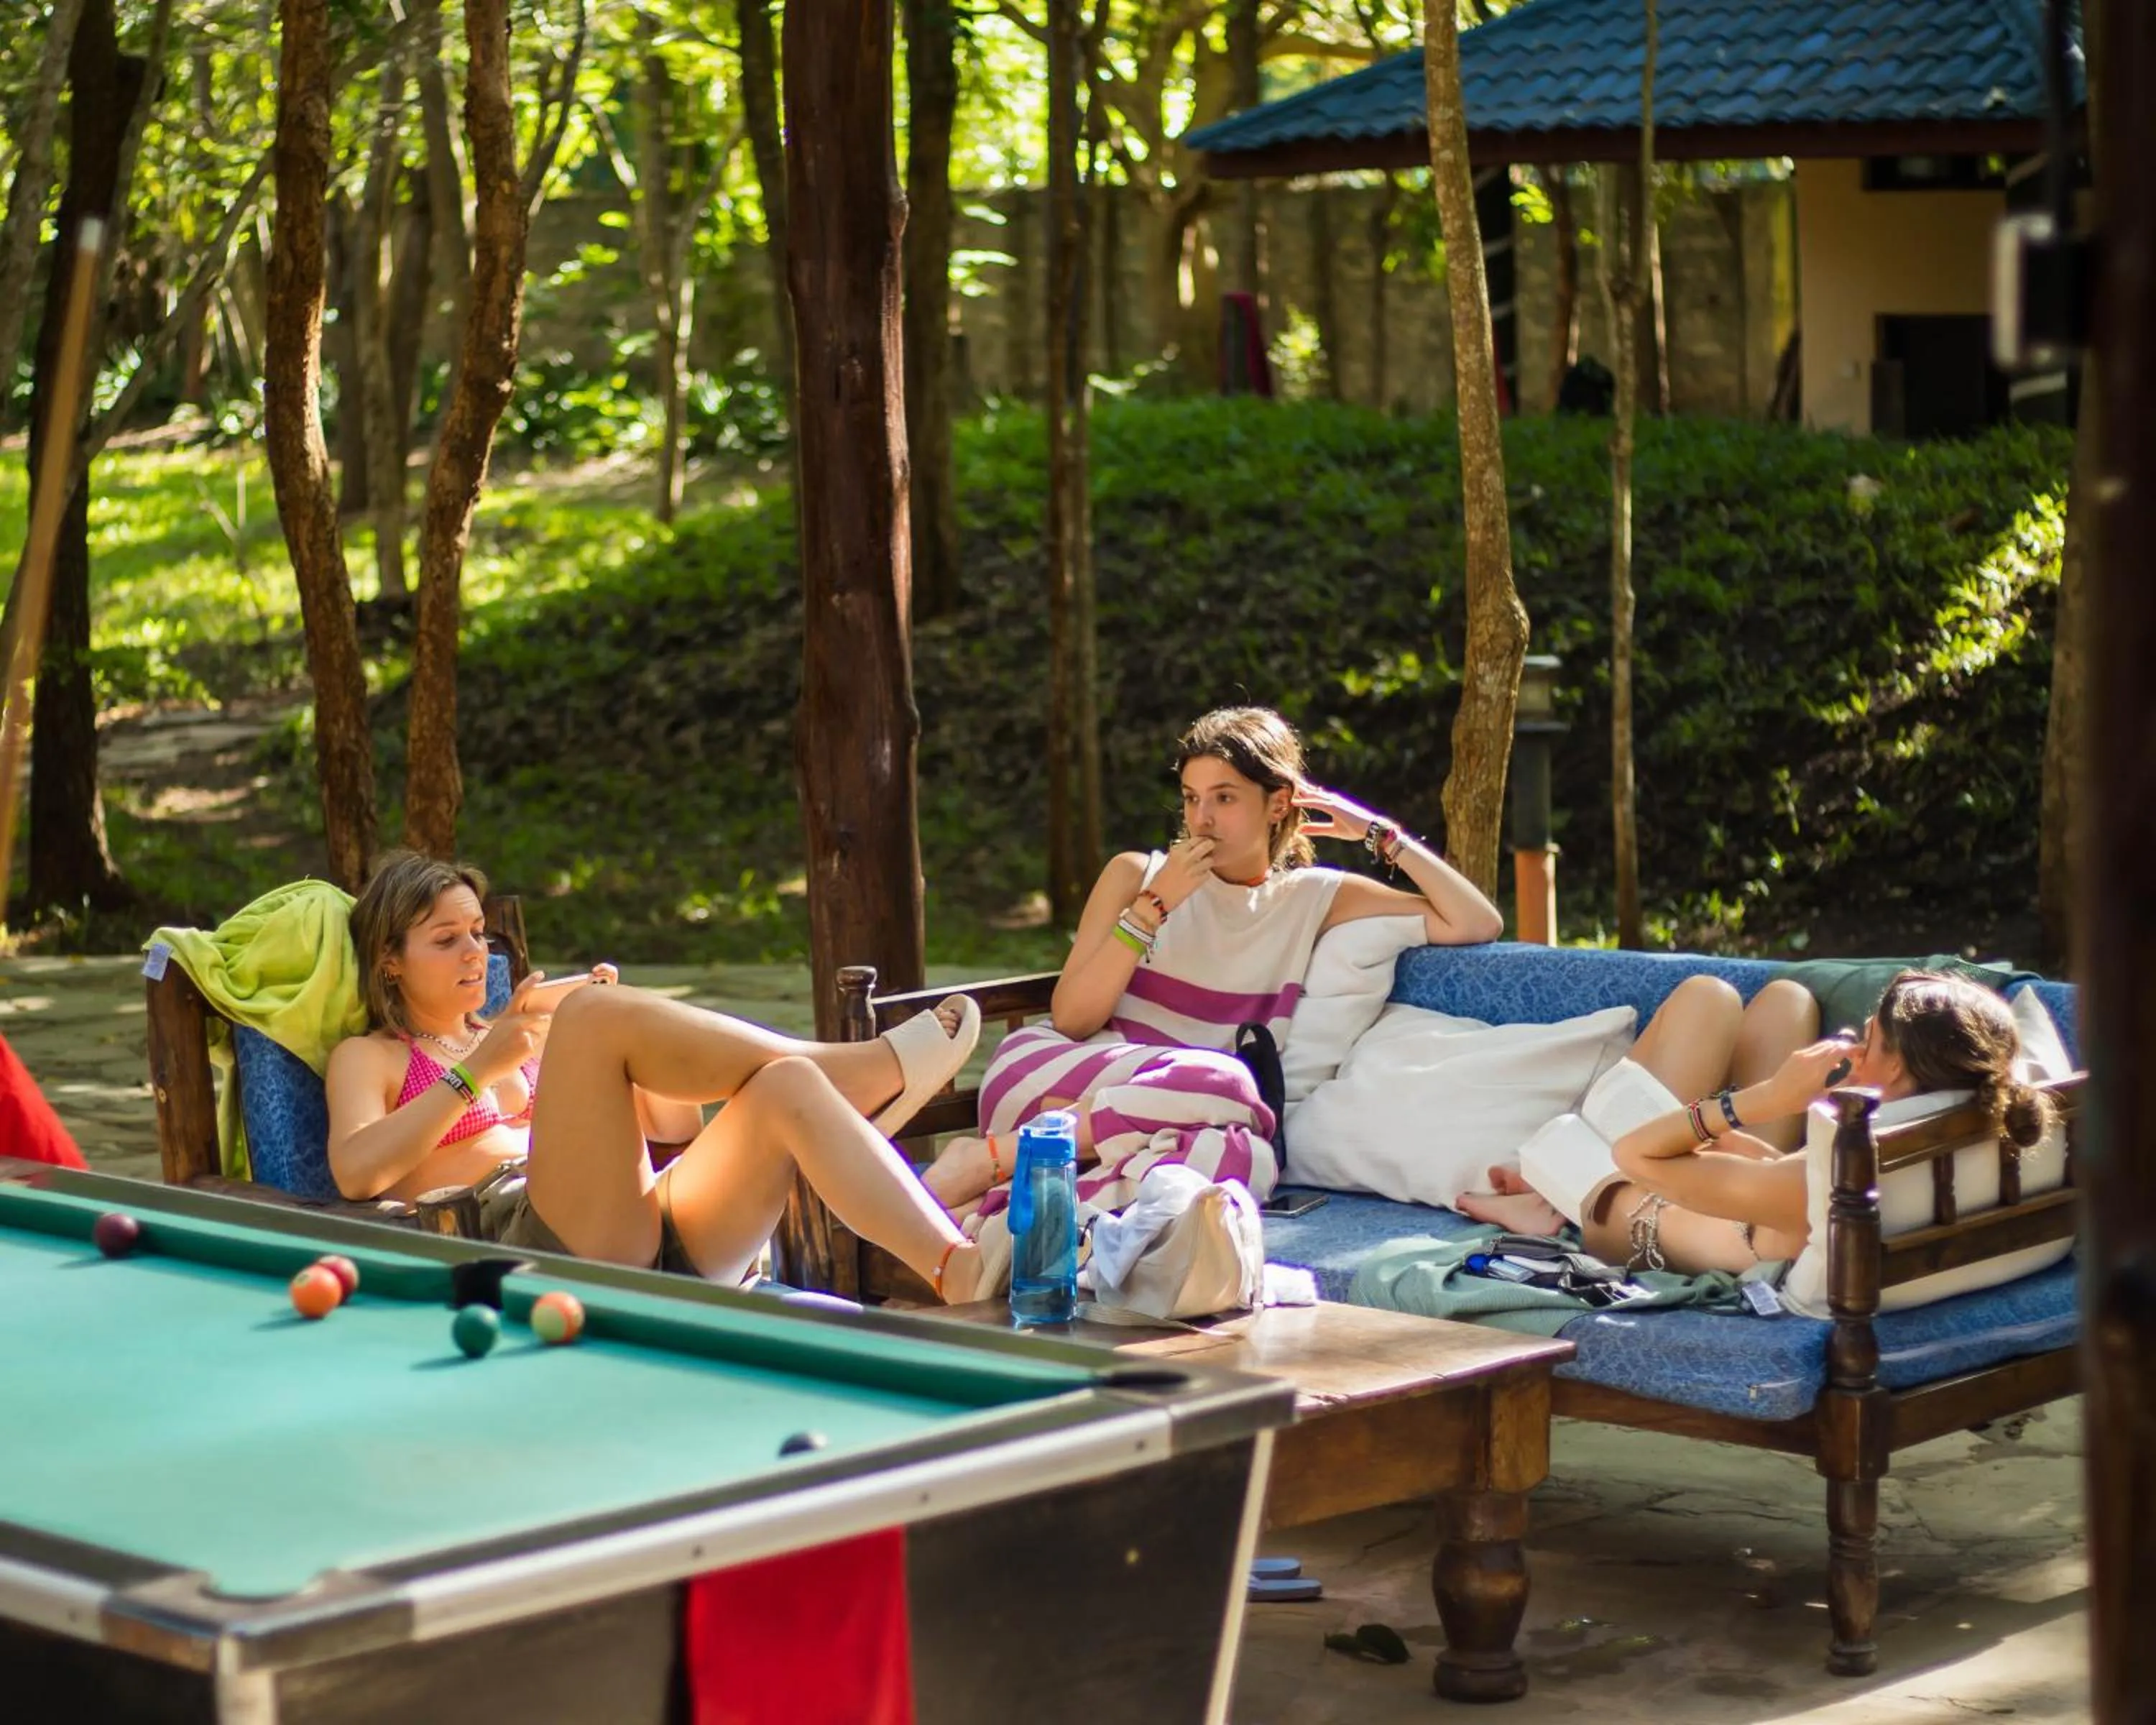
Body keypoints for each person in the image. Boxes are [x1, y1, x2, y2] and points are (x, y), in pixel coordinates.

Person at [923, 705, 1504, 1228]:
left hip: (1179, 1117)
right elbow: (1073, 1019)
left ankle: (1014, 1206)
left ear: (1279, 804)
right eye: (1191, 797)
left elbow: (1476, 923)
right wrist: (1154, 908)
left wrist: (1377, 832)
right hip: (1058, 1076)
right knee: (1229, 1081)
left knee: (1247, 1161)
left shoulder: (1313, 899)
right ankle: (990, 1158)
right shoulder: (1138, 876)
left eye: (1224, 798)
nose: (1202, 818)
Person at [325, 851, 988, 1301]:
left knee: (789, 1086)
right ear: (389, 960)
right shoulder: (374, 1056)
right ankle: (872, 1074)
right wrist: (480, 1070)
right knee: (594, 1016)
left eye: (477, 933)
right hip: (527, 1247)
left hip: (652, 1231)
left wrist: (627, 1045)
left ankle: (951, 1265)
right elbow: (357, 1172)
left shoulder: (520, 1035)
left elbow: (676, 1131)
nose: (475, 952)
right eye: (447, 940)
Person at [1462, 970, 2054, 1276]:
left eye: (1866, 1039)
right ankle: (1540, 1197)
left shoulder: (1816, 1180)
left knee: (1563, 1136)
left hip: (1624, 1210)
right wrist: (1742, 1143)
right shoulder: (1943, 1131)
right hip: (1733, 1205)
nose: (1849, 1041)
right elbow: (1780, 1182)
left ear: (1897, 1068)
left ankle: (1548, 1202)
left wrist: (1769, 1098)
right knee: (1788, 1001)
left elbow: (1636, 1157)